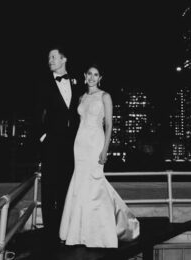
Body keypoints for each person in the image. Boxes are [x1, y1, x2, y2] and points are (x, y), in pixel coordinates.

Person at [59, 64, 140, 248]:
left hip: (95, 142)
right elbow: (79, 122)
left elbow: (109, 125)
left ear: (100, 78)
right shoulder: (81, 97)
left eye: (96, 75)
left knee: (96, 182)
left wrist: (105, 150)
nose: (92, 77)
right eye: (90, 74)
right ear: (85, 76)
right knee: (80, 183)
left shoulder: (105, 96)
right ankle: (78, 233)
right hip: (79, 144)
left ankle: (101, 232)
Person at [35, 47, 80, 248]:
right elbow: (35, 110)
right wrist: (43, 136)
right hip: (52, 142)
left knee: (65, 185)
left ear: (64, 59)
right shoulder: (43, 83)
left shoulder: (75, 82)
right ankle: (49, 230)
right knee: (49, 187)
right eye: (49, 58)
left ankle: (63, 229)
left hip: (71, 144)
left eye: (53, 57)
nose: (50, 60)